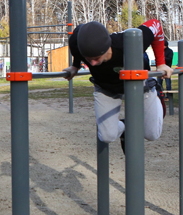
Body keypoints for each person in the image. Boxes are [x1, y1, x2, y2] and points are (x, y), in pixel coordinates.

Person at [63, 19, 172, 151]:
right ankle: (125, 127)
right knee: (107, 136)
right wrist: (75, 66)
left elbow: (156, 24)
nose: (92, 63)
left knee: (151, 134)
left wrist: (161, 63)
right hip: (106, 87)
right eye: (88, 59)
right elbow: (77, 42)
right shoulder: (76, 41)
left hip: (139, 84)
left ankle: (157, 96)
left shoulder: (129, 41)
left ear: (106, 48)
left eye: (96, 58)